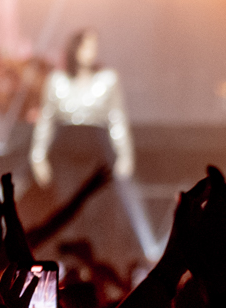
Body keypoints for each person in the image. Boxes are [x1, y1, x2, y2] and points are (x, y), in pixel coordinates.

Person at [30, 28, 154, 261]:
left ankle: (96, 265)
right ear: (75, 48)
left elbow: (117, 118)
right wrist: (38, 157)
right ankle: (69, 267)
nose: (92, 51)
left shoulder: (107, 80)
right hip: (65, 151)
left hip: (96, 150)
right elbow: (46, 120)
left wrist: (125, 156)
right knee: (66, 211)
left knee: (97, 211)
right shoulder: (56, 81)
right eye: (87, 45)